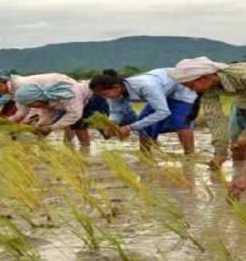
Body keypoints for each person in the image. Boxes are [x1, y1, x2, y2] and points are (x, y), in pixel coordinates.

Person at [167, 56, 246, 196]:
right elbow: (216, 120)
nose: (192, 91)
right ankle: (237, 181)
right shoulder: (209, 89)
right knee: (237, 147)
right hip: (241, 106)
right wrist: (220, 152)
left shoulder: (242, 75)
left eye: (191, 86)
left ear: (204, 77)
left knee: (243, 140)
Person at [89, 68, 198, 155]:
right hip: (161, 90)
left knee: (180, 121)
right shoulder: (114, 94)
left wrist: (129, 127)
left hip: (180, 86)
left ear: (116, 87)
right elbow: (116, 112)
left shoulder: (147, 86)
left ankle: (189, 156)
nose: (104, 97)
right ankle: (145, 154)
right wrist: (112, 124)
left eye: (104, 94)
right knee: (144, 122)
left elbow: (163, 112)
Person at [14, 80, 109, 152]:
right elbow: (48, 115)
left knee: (105, 129)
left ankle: (87, 148)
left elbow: (74, 115)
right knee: (77, 125)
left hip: (94, 98)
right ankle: (85, 149)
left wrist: (51, 127)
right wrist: (38, 127)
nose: (31, 107)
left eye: (30, 105)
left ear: (36, 99)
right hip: (80, 104)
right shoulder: (44, 101)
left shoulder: (66, 96)